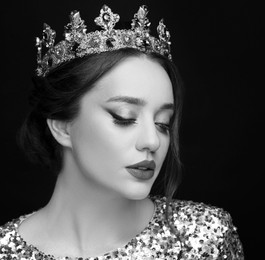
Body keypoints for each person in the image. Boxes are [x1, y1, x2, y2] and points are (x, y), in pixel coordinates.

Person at [0, 4, 244, 259]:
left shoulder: (204, 239)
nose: (152, 141)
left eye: (163, 123)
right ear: (62, 126)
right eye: (124, 118)